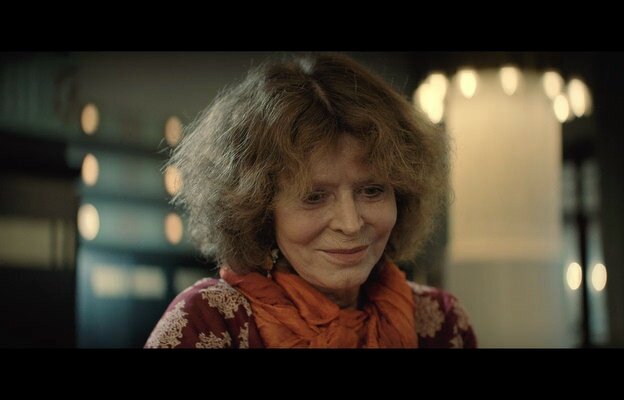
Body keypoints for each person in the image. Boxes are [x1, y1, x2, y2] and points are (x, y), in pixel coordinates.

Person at [145, 53, 476, 348]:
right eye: (314, 197)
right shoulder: (209, 323)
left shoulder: (440, 323)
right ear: (260, 212)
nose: (350, 224)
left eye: (372, 191)